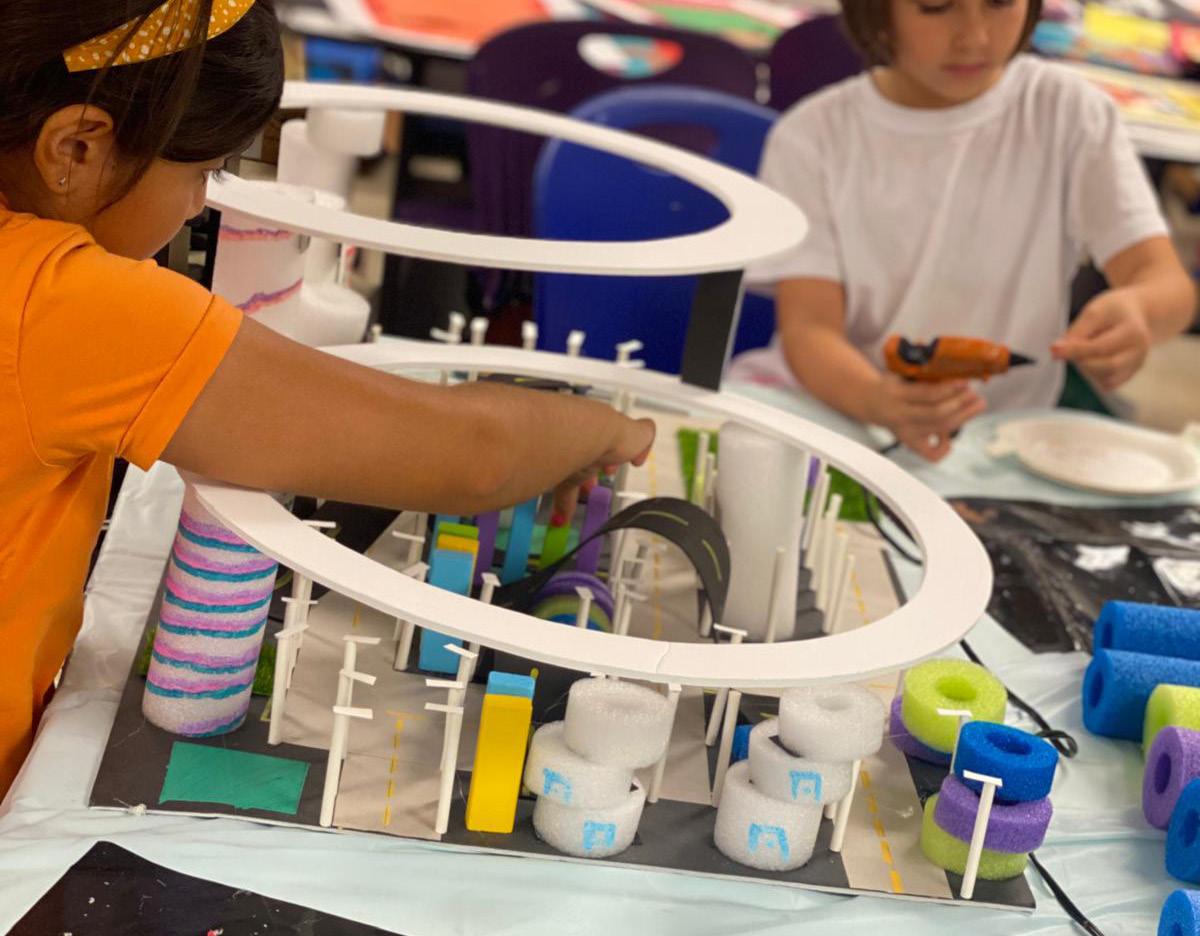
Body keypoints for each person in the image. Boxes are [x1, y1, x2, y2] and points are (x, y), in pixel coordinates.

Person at [0, 0, 654, 799]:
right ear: (75, 146)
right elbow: (473, 454)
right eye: (203, 171)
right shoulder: (60, 303)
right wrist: (607, 429)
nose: (200, 204)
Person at [730, 0, 1196, 461]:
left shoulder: (1068, 112)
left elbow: (1166, 283)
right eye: (936, 7)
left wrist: (1140, 312)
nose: (974, 36)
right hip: (837, 416)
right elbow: (809, 329)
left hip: (999, 444)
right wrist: (877, 398)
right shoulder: (813, 135)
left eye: (1000, 3)